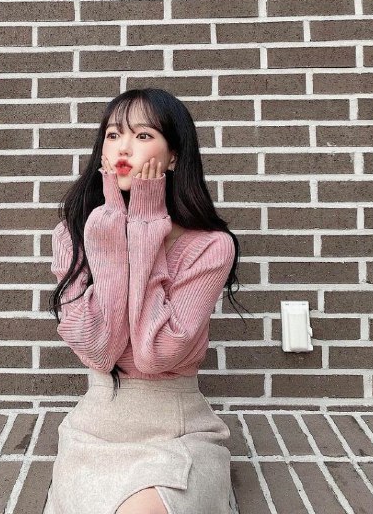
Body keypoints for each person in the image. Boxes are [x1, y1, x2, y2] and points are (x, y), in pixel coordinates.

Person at [44, 87, 242, 514]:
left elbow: (156, 355)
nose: (124, 148)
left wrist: (147, 228)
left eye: (144, 135)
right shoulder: (72, 235)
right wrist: (113, 233)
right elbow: (99, 350)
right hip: (95, 431)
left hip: (177, 432)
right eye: (114, 135)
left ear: (173, 157)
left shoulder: (210, 246)